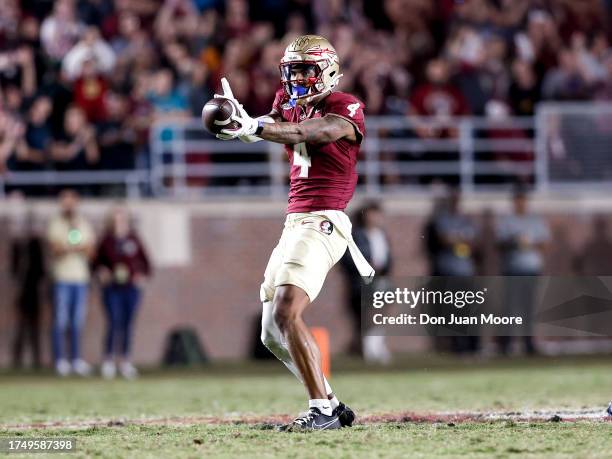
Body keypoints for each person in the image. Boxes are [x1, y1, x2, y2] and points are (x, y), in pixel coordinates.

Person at [216, 35, 373, 430]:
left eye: (306, 69)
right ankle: (332, 404)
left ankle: (320, 410)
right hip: (294, 222)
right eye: (293, 70)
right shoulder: (288, 102)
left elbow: (311, 133)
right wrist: (242, 125)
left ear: (328, 73)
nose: (298, 78)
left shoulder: (344, 106)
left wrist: (252, 126)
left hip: (324, 219)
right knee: (271, 332)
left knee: (288, 310)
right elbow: (273, 123)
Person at [94, 207, 151, 380]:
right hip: (112, 288)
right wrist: (101, 271)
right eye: (116, 219)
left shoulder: (133, 239)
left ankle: (125, 360)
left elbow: (146, 262)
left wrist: (140, 275)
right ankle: (108, 360)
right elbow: (96, 262)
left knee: (128, 323)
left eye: (122, 219)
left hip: (130, 288)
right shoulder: (106, 240)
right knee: (114, 321)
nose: (119, 222)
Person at [47, 189, 95, 376]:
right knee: (61, 320)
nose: (68, 205)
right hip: (62, 278)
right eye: (64, 201)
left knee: (77, 322)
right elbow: (56, 248)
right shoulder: (55, 223)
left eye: (71, 201)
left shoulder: (83, 223)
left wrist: (74, 246)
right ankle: (60, 360)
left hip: (80, 278)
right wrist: (74, 246)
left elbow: (90, 251)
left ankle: (76, 359)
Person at [496, 188, 550, 356]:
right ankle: (506, 345)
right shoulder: (507, 221)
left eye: (523, 200)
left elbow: (545, 244)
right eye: (518, 200)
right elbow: (499, 245)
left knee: (528, 308)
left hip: (531, 269)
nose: (520, 203)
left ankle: (528, 344)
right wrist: (514, 242)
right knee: (510, 308)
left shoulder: (535, 220)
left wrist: (530, 243)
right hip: (512, 269)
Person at [340, 201, 392, 362]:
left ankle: (375, 342)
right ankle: (368, 345)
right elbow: (348, 259)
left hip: (380, 279)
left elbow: (389, 259)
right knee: (366, 314)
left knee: (381, 310)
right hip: (362, 282)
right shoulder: (356, 235)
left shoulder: (382, 235)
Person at [10, 209, 45, 369]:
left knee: (34, 326)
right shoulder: (18, 246)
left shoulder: (36, 245)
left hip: (33, 291)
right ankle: (17, 358)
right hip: (23, 290)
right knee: (21, 326)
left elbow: (41, 270)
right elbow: (14, 269)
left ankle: (36, 358)